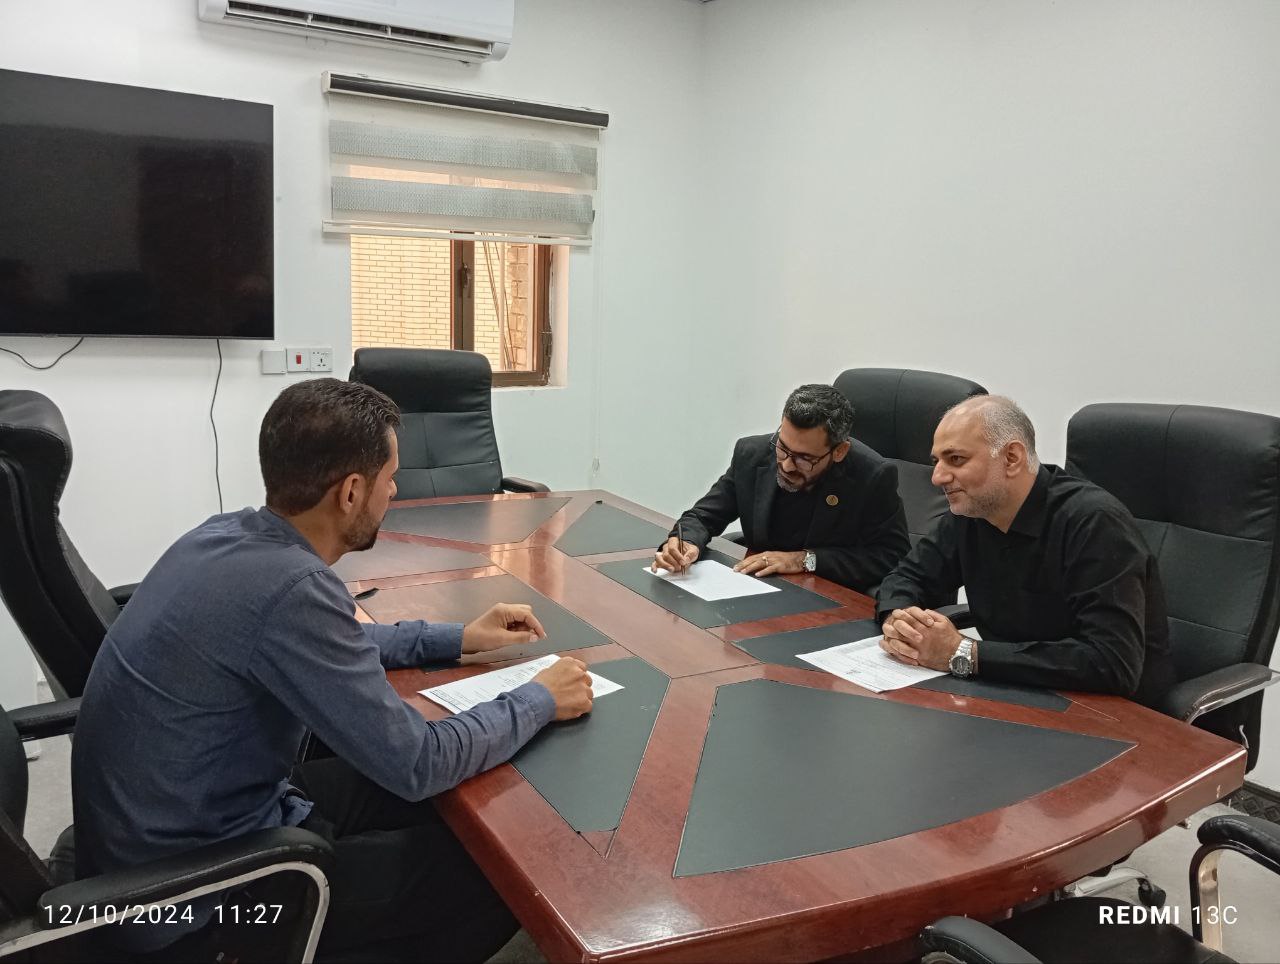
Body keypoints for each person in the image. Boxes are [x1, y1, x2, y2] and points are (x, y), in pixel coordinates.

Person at [71, 378, 594, 961]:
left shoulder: (225, 535)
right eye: (390, 478)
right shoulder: (291, 586)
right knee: (502, 872)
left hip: (179, 826)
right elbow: (418, 762)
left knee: (465, 810)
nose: (394, 490)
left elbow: (327, 642)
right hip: (195, 897)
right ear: (350, 492)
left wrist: (456, 638)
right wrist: (539, 698)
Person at [876, 395, 1176, 706]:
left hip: (1114, 712)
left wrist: (964, 652)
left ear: (1012, 458)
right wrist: (901, 621)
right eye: (936, 461)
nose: (937, 477)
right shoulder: (972, 512)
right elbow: (907, 577)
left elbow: (1111, 663)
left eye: (956, 459)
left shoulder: (1095, 523)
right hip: (1016, 690)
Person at [653, 383, 910, 593]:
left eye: (804, 458)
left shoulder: (872, 476)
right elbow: (703, 516)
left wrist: (805, 560)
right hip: (753, 589)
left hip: (826, 598)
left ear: (839, 451)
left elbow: (892, 556)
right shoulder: (751, 454)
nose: (787, 465)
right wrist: (685, 542)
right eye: (782, 447)